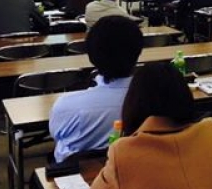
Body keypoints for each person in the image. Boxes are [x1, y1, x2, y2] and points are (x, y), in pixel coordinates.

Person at [49, 16, 144, 163]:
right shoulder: (154, 100)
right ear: (138, 52)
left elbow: (56, 135)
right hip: (135, 169)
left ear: (91, 56)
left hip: (79, 174)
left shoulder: (66, 106)